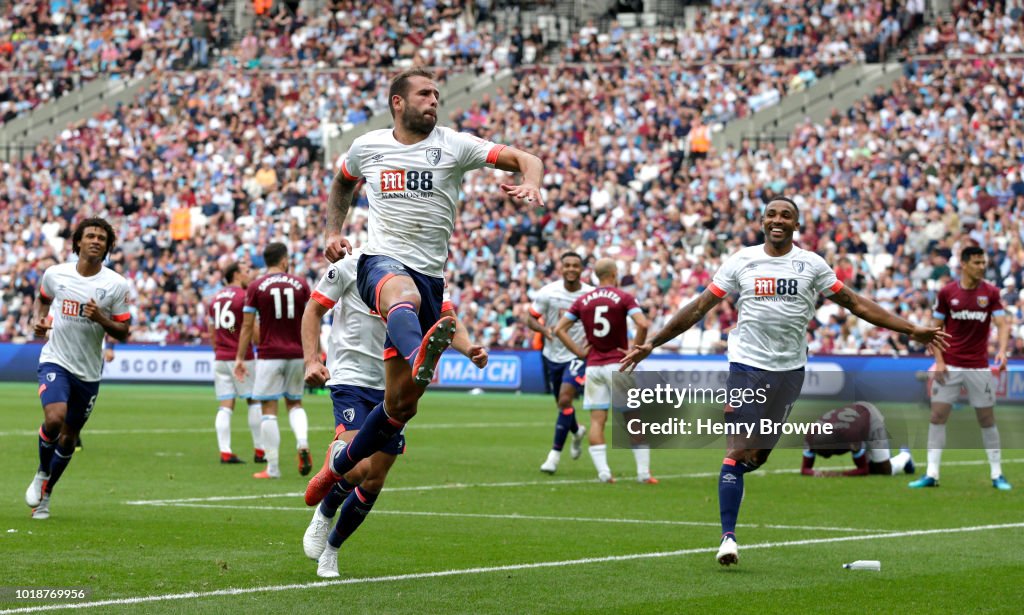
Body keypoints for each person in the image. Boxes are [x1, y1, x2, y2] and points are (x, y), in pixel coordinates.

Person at [620, 197, 948, 567]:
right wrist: (652, 344)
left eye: (786, 215)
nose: (778, 220)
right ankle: (728, 537)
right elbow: (698, 308)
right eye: (772, 214)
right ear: (762, 221)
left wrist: (911, 329)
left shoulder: (811, 264)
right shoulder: (741, 260)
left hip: (790, 372)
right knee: (739, 450)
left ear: (796, 224)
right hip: (746, 366)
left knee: (756, 458)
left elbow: (856, 304)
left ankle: (736, 481)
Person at [305, 67, 543, 506]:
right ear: (398, 102)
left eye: (436, 94)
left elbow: (527, 158)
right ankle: (419, 355)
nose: (434, 100)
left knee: (399, 407)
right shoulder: (367, 146)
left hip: (432, 276)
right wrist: (331, 232)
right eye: (424, 94)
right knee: (402, 293)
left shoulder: (454, 144)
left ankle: (335, 469)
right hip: (381, 263)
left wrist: (531, 180)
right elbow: (342, 181)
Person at [300, 249, 488, 578]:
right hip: (352, 378)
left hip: (394, 381)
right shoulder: (350, 265)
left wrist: (469, 347)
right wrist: (312, 360)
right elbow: (314, 309)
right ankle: (326, 508)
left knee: (375, 479)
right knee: (359, 469)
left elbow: (447, 319)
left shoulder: (423, 271)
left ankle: (332, 549)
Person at [25, 218, 131, 520]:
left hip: (88, 372)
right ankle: (42, 471)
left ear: (108, 246)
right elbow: (43, 299)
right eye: (91, 236)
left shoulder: (115, 284)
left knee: (70, 438)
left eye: (102, 238)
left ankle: (45, 495)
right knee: (54, 418)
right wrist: (40, 320)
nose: (96, 241)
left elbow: (124, 331)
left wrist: (101, 318)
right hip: (55, 359)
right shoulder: (56, 274)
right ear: (78, 242)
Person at [909, 246, 1012, 491]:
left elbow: (1002, 324)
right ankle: (932, 474)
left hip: (979, 366)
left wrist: (1002, 350)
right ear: (964, 264)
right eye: (976, 262)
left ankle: (997, 474)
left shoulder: (991, 293)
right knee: (937, 416)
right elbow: (935, 329)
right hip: (950, 364)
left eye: (983, 262)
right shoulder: (947, 293)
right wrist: (941, 361)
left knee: (986, 419)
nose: (981, 266)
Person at [553, 258, 652, 484]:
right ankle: (644, 474)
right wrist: (634, 350)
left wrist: (579, 352)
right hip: (619, 364)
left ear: (596, 276)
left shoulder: (583, 300)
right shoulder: (624, 298)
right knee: (633, 419)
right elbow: (643, 324)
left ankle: (604, 473)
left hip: (594, 366)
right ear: (615, 273)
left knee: (597, 420)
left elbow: (559, 329)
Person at [234, 242, 312, 479]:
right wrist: (313, 353)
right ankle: (302, 442)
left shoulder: (256, 286)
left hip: (269, 355)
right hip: (297, 353)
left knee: (269, 409)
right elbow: (312, 318)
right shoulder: (301, 284)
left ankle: (273, 468)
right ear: (284, 259)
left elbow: (247, 326)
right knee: (295, 404)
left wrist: (240, 357)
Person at [526, 251, 593, 474]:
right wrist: (544, 330)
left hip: (577, 355)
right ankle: (577, 430)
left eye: (576, 265)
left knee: (565, 399)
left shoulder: (590, 295)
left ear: (582, 269)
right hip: (551, 355)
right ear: (561, 268)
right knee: (562, 405)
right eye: (567, 265)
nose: (571, 269)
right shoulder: (548, 293)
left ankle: (553, 458)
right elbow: (530, 318)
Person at [209, 261, 264, 464]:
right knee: (254, 401)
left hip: (221, 358)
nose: (250, 274)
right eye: (246, 271)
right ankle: (260, 450)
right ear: (236, 275)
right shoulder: (244, 297)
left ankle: (225, 451)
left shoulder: (215, 299)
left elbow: (212, 331)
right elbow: (255, 335)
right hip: (242, 358)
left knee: (225, 405)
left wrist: (220, 349)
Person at [800, 401, 915, 477]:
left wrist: (841, 474)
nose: (825, 457)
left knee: (885, 471)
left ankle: (905, 455)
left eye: (826, 453)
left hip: (870, 417)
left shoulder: (850, 436)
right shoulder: (810, 435)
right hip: (854, 419)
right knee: (873, 470)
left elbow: (863, 469)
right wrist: (815, 473)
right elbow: (804, 469)